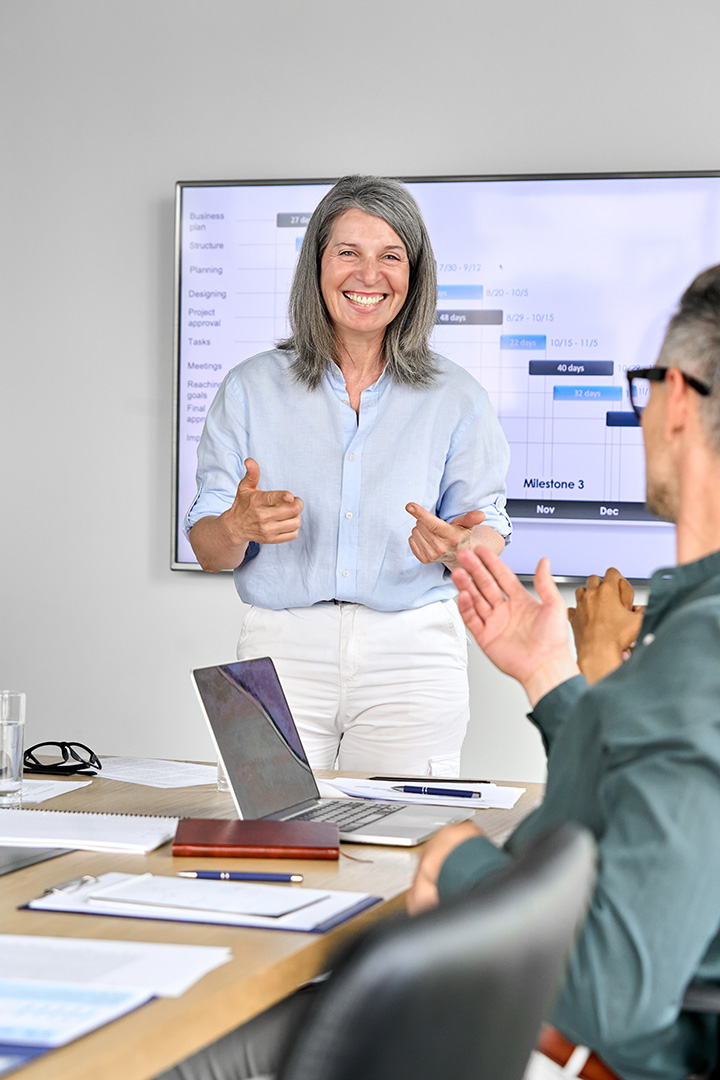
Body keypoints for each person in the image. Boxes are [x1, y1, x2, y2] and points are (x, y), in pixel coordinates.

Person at [409, 263, 720, 1080]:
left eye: (649, 387)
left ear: (679, 401)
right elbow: (664, 803)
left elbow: (610, 994)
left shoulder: (702, 654)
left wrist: (457, 859)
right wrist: (552, 680)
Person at [184, 175, 511, 775]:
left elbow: (487, 525)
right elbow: (208, 550)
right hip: (278, 648)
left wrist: (464, 547)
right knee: (270, 836)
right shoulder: (250, 387)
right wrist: (235, 524)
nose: (369, 275)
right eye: (348, 252)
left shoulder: (457, 396)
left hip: (412, 653)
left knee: (402, 849)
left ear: (414, 277)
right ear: (316, 265)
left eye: (391, 255)